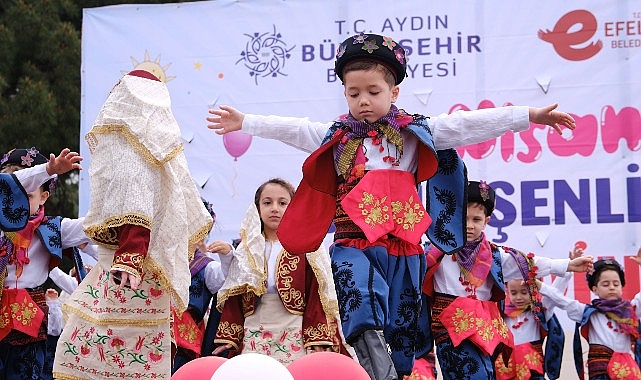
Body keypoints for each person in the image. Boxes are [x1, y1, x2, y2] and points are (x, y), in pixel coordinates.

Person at [207, 32, 578, 379]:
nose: (362, 101)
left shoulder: (416, 133)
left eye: (372, 91)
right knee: (359, 299)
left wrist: (529, 116)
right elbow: (295, 128)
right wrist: (246, 122)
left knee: (403, 328)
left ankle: (394, 369)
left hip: (404, 245)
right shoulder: (336, 136)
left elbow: (469, 125)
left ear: (394, 91)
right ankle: (371, 353)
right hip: (354, 242)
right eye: (353, 94)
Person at [53, 70, 213, 379]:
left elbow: (138, 208)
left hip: (126, 271)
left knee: (87, 354)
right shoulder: (158, 153)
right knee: (117, 357)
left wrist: (130, 256)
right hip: (135, 270)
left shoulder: (134, 152)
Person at [421, 180, 593, 380]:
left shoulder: (494, 256)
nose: (469, 226)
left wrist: (568, 265)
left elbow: (528, 263)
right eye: (464, 219)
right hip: (451, 330)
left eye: (476, 219)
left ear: (486, 221)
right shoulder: (436, 252)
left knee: (486, 373)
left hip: (484, 330)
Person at [212, 178, 345, 365]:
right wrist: (230, 335)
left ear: (293, 207)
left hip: (293, 329)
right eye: (267, 202)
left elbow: (318, 293)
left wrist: (317, 336)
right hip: (254, 329)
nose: (274, 208)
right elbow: (236, 293)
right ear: (257, 209)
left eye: (282, 203)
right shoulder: (246, 248)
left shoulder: (307, 246)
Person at [0, 147, 87, 380]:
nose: (15, 203)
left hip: (29, 326)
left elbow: (94, 226)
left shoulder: (53, 229)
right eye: (10, 194)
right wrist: (48, 169)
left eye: (26, 195)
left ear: (43, 198)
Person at [538, 254, 641, 379]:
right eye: (606, 284)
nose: (612, 287)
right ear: (595, 289)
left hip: (628, 373)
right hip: (601, 374)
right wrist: (540, 286)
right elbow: (561, 300)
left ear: (621, 286)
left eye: (616, 284)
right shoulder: (589, 313)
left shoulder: (631, 310)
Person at [494, 245, 582, 380]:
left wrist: (568, 270)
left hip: (532, 369)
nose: (518, 297)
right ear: (507, 290)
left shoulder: (538, 312)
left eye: (524, 292)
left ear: (534, 289)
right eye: (514, 292)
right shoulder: (501, 313)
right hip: (504, 370)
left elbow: (554, 293)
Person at [171, 199, 233, 373]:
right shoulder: (154, 257)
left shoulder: (206, 266)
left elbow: (227, 280)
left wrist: (227, 256)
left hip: (184, 344)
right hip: (151, 334)